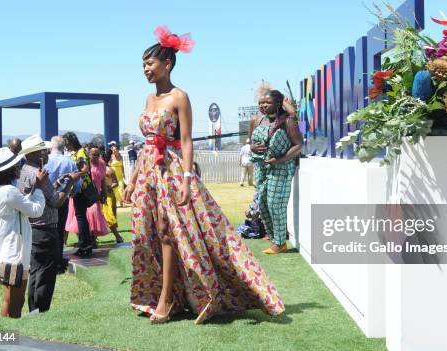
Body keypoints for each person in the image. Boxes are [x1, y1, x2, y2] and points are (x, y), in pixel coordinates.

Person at [124, 26, 284, 324]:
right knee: (147, 233)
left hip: (170, 171)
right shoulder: (149, 99)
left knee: (168, 231)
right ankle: (166, 293)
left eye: (150, 63)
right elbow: (147, 144)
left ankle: (166, 299)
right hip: (148, 171)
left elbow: (185, 141)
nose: (146, 69)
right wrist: (132, 180)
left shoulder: (179, 97)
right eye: (143, 65)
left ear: (167, 64)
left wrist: (186, 178)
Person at [17, 135, 79, 313]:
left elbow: (42, 192)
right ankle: (41, 310)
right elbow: (55, 201)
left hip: (32, 228)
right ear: (34, 153)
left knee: (36, 271)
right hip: (45, 228)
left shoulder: (25, 170)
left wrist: (58, 182)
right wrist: (69, 183)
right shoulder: (38, 172)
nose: (46, 152)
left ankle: (33, 310)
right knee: (46, 273)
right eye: (42, 149)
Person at [0, 147, 46, 318]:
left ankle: (6, 330)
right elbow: (35, 210)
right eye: (15, 166)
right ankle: (12, 334)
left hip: (10, 245)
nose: (18, 168)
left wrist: (35, 187)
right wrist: (40, 189)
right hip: (15, 250)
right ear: (9, 170)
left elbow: (22, 205)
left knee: (10, 297)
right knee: (16, 299)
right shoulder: (9, 191)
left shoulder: (3, 189)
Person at [249, 89, 302, 254]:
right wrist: (252, 147)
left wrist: (279, 159)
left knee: (275, 204)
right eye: (260, 103)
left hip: (281, 169)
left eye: (267, 102)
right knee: (263, 204)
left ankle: (280, 243)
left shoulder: (288, 121)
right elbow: (250, 143)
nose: (263, 105)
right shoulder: (256, 121)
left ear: (278, 104)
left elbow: (298, 145)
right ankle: (274, 239)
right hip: (262, 168)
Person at [45, 136, 80, 272]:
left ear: (52, 146)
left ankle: (50, 259)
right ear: (63, 146)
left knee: (48, 229)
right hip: (63, 198)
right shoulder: (69, 161)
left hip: (47, 200)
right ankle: (58, 259)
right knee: (60, 230)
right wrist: (73, 192)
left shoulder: (45, 161)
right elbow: (77, 181)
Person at [66, 144, 109, 245]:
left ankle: (92, 240)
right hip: (83, 193)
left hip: (95, 195)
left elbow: (102, 179)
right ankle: (84, 240)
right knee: (82, 218)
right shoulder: (85, 164)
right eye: (93, 154)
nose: (96, 157)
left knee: (95, 217)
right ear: (88, 154)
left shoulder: (102, 163)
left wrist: (104, 192)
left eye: (98, 154)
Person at [62, 132, 94, 257]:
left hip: (81, 189)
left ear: (71, 141)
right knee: (80, 216)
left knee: (81, 217)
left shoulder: (80, 152)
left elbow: (85, 169)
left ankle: (85, 245)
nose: (66, 146)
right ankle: (85, 244)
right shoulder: (76, 153)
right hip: (77, 189)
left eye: (66, 143)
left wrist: (74, 175)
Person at [102, 152, 123, 243]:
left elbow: (116, 183)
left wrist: (108, 187)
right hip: (99, 196)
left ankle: (118, 236)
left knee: (109, 217)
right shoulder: (96, 169)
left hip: (108, 197)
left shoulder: (109, 170)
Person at [108, 141, 126, 207]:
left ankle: (122, 202)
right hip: (113, 174)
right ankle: (120, 202)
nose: (114, 151)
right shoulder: (111, 156)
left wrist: (124, 173)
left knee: (121, 189)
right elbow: (108, 165)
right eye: (113, 150)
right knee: (115, 190)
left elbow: (122, 165)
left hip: (120, 174)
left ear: (118, 150)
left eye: (115, 150)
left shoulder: (121, 156)